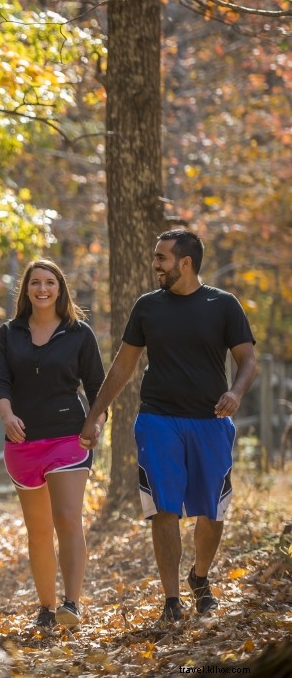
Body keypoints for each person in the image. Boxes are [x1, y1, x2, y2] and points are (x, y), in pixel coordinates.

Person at [80, 229, 257, 624]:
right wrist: (95, 415)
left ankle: (200, 577)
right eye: (155, 257)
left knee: (212, 514)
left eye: (161, 258)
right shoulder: (147, 307)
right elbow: (124, 366)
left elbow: (248, 360)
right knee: (164, 510)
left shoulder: (224, 305)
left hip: (211, 421)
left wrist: (237, 392)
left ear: (185, 263)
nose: (155, 265)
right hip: (158, 419)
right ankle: (172, 599)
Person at [0, 259, 105, 629]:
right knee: (38, 532)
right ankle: (46, 607)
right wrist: (7, 417)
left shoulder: (79, 333)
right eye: (35, 282)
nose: (42, 289)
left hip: (69, 436)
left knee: (68, 517)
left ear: (60, 288)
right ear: (25, 290)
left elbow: (97, 388)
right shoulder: (10, 333)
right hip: (22, 442)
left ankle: (72, 603)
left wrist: (97, 422)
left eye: (49, 282)